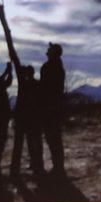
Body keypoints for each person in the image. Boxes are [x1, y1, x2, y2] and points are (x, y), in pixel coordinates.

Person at [11, 64, 45, 178]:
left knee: (29, 143)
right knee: (34, 143)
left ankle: (34, 165)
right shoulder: (38, 84)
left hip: (27, 118)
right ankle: (37, 164)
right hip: (34, 118)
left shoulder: (25, 84)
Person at [41, 43, 67, 176]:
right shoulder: (57, 66)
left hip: (50, 108)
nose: (47, 50)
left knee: (53, 138)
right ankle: (58, 167)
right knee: (54, 138)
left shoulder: (50, 67)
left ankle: (58, 168)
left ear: (54, 52)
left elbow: (45, 88)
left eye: (49, 49)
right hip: (54, 108)